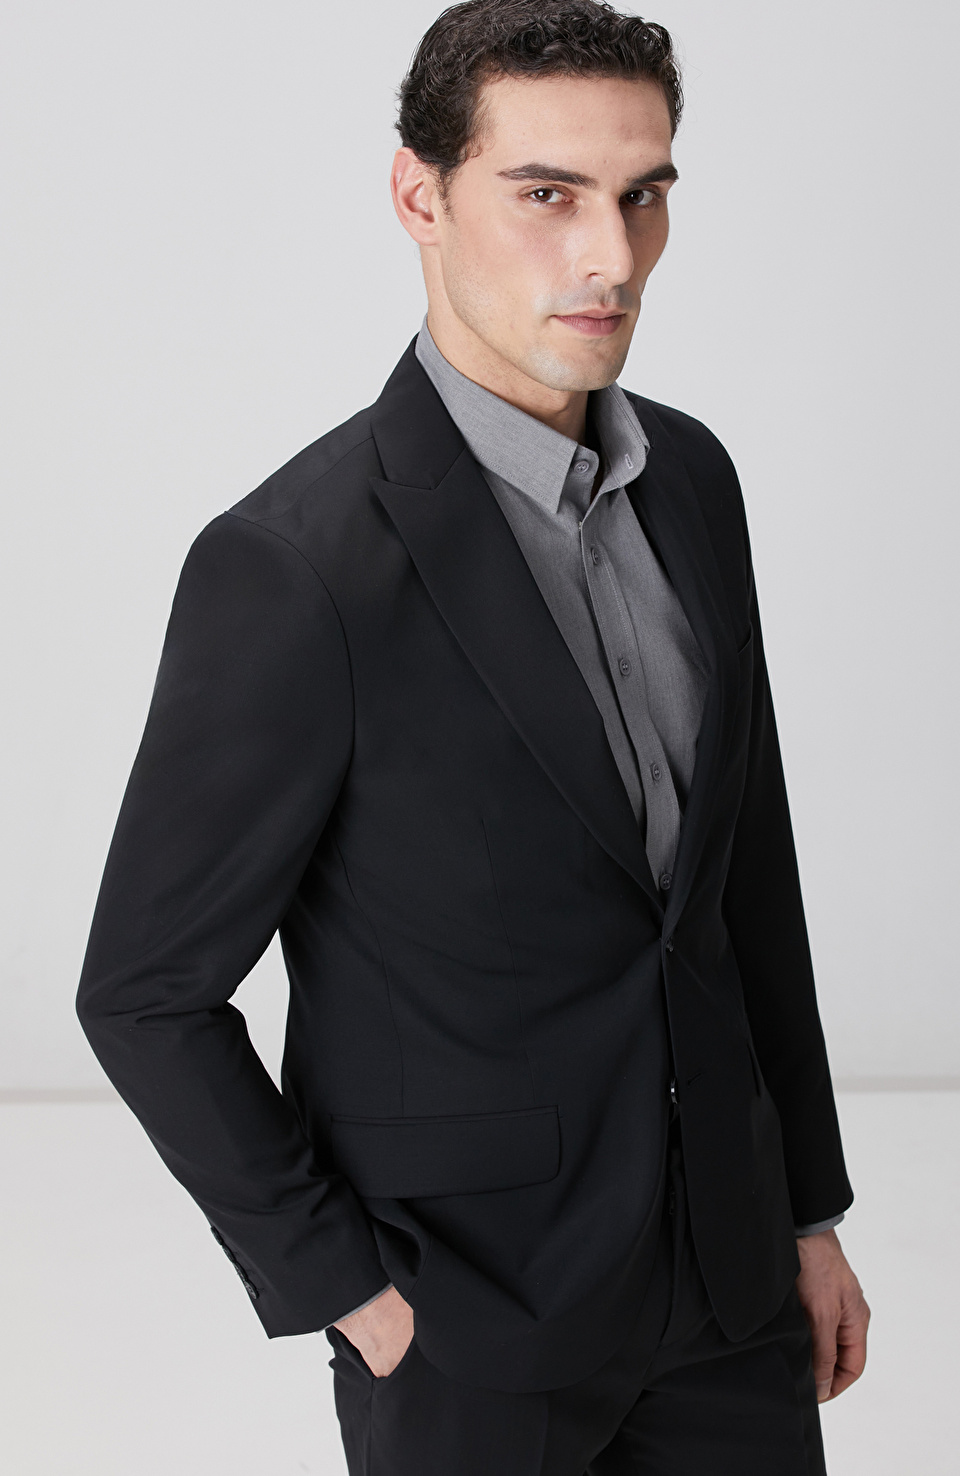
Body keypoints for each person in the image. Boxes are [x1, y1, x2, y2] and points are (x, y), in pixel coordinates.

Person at [76, 2, 871, 1471]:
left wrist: (807, 1212)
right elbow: (144, 993)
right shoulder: (295, 568)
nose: (610, 256)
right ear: (419, 196)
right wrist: (347, 1294)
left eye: (644, 195)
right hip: (469, 1325)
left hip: (732, 1287)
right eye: (548, 193)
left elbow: (743, 880)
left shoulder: (694, 481)